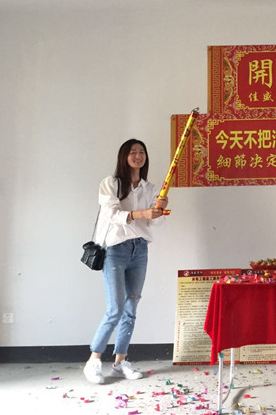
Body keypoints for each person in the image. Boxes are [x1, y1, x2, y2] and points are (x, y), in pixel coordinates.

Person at [83, 139, 168, 384]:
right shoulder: (111, 183)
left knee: (131, 309)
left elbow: (155, 222)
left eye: (142, 152)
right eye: (133, 152)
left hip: (140, 250)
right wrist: (141, 213)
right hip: (115, 250)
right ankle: (94, 360)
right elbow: (111, 213)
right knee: (115, 309)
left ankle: (120, 363)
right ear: (124, 156)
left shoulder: (150, 188)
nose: (138, 156)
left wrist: (160, 209)